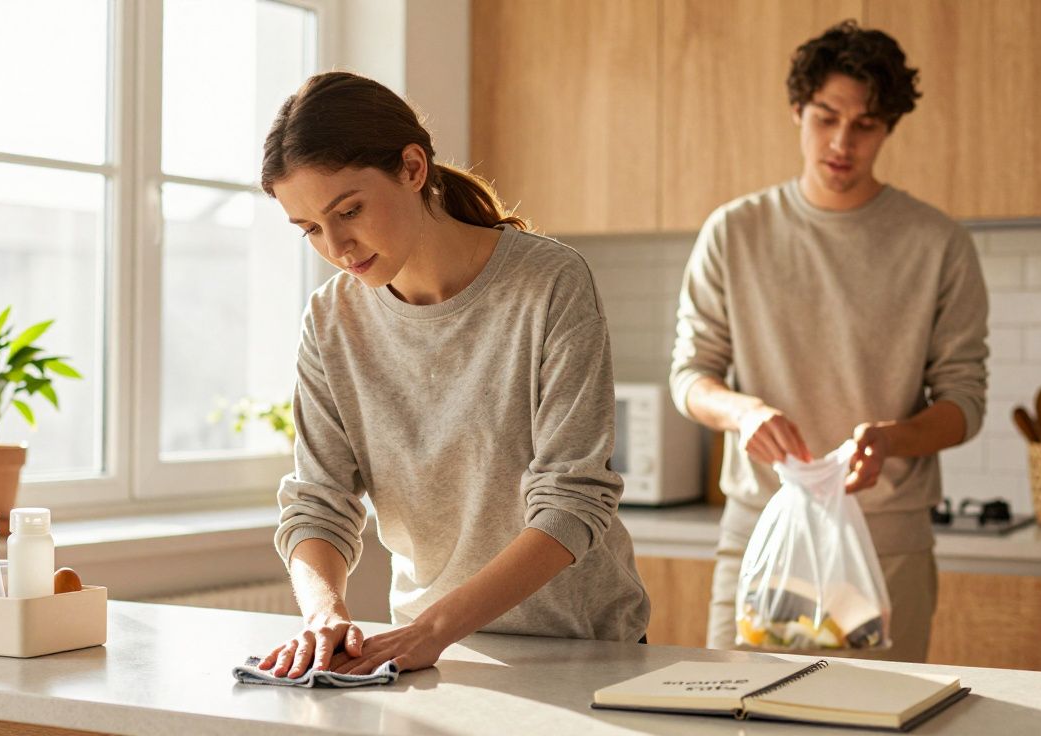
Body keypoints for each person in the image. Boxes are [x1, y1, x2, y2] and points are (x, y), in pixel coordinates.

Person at [256, 71, 650, 679]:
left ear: (413, 168)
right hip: (429, 657)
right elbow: (318, 500)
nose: (335, 245)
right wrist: (322, 612)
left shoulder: (549, 283)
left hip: (579, 648)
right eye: (309, 229)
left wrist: (433, 629)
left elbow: (572, 501)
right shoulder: (331, 319)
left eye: (349, 210)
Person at [669, 20, 988, 662]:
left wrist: (892, 439)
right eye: (825, 117)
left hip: (886, 544)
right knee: (738, 718)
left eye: (866, 124)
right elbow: (691, 376)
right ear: (798, 111)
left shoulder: (937, 243)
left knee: (876, 721)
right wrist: (744, 412)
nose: (842, 142)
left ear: (889, 127)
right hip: (760, 531)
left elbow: (964, 403)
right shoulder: (736, 232)